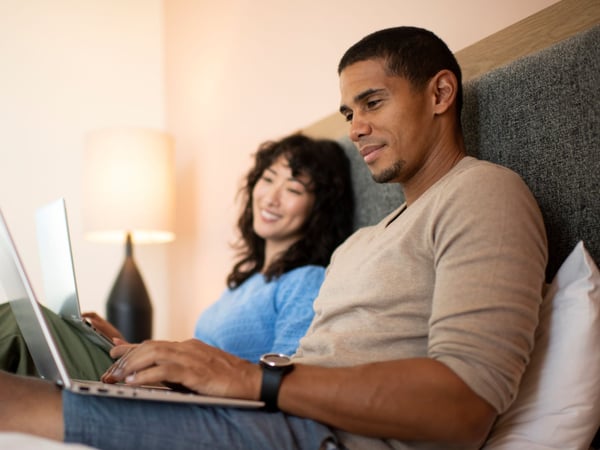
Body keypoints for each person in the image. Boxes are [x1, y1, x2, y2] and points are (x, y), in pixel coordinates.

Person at [0, 26, 547, 450]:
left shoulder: (483, 192)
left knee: (16, 404)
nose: (355, 127)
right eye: (348, 112)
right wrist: (183, 381)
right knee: (27, 364)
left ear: (441, 93)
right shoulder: (359, 245)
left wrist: (245, 378)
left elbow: (465, 405)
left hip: (323, 435)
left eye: (373, 103)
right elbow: (309, 362)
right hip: (276, 417)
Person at [0, 132, 355, 378]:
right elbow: (197, 355)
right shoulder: (244, 281)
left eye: (293, 188)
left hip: (203, 400)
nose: (272, 197)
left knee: (17, 324)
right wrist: (127, 343)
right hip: (172, 385)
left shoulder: (305, 280)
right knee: (30, 335)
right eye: (268, 179)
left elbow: (287, 377)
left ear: (320, 208)